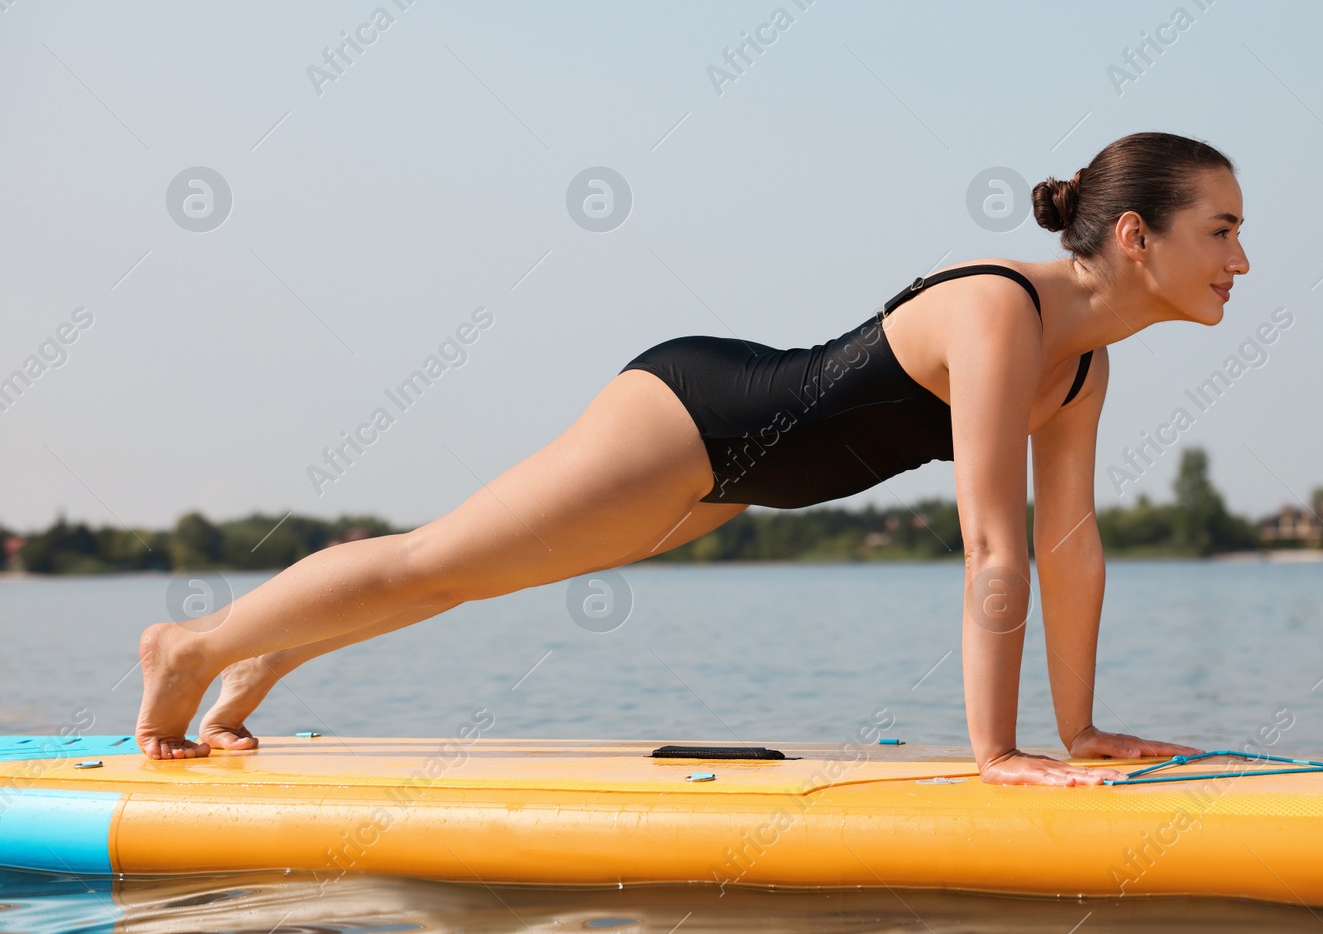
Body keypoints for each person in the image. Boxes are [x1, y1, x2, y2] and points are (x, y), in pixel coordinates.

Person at [136, 130, 1247, 787]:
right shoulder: (1003, 311)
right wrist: (996, 751)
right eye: (1221, 229)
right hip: (691, 420)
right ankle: (192, 643)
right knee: (444, 559)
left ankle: (268, 658)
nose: (1241, 258)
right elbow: (993, 547)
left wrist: (1082, 731)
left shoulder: (1082, 368)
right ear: (1137, 236)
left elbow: (1068, 544)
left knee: (476, 571)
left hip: (738, 480)